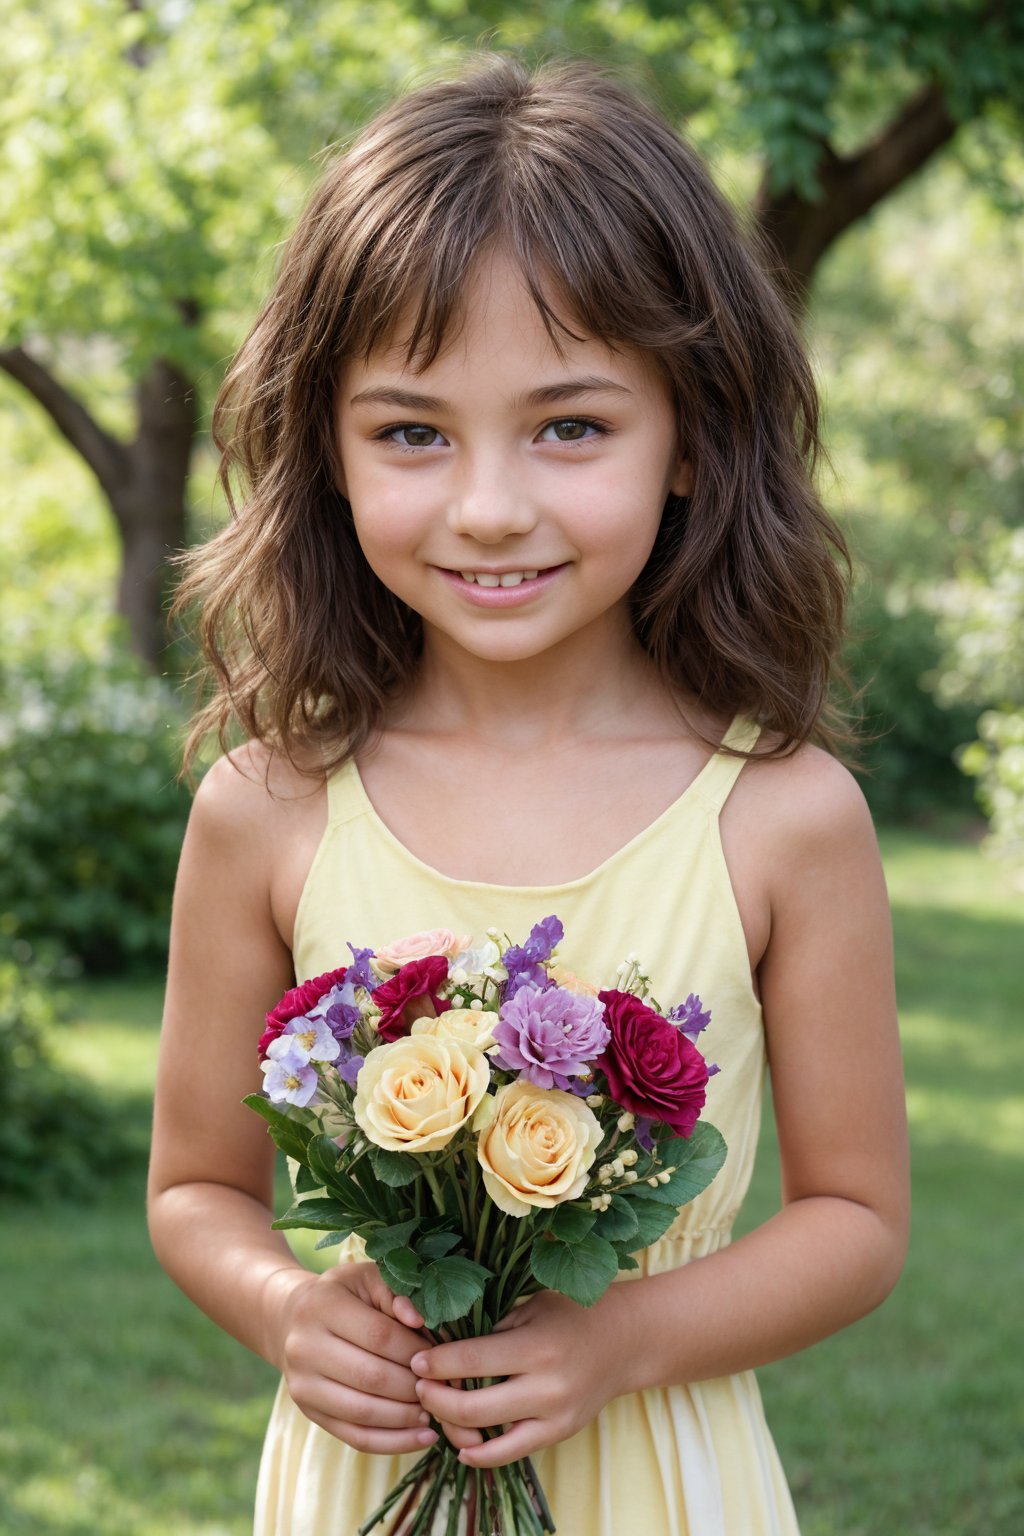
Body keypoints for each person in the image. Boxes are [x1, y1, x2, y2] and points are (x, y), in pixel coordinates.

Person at [148, 52, 910, 1536]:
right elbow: (195, 1190)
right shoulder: (267, 808)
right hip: (364, 1479)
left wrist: (613, 1339)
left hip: (662, 1475)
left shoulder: (783, 817)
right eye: (413, 433)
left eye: (570, 426)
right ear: (328, 450)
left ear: (691, 437)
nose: (490, 504)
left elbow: (858, 1222)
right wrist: (286, 1312)